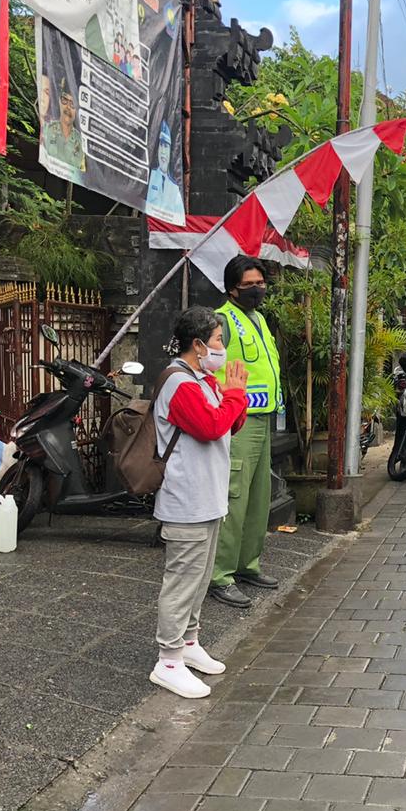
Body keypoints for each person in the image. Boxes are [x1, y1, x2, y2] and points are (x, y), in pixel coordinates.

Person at [150, 307, 249, 699]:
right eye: (218, 340)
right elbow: (210, 426)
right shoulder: (179, 383)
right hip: (186, 500)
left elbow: (229, 422)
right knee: (182, 581)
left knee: (200, 578)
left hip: (208, 498)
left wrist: (234, 397)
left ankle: (188, 643)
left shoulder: (202, 380)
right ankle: (168, 660)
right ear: (197, 344)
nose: (222, 347)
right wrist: (235, 394)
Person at [208, 259, 285, 608]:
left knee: (257, 497)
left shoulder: (258, 319)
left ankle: (247, 564)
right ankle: (219, 575)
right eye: (249, 284)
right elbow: (209, 369)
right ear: (232, 289)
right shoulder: (222, 320)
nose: (258, 289)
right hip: (238, 421)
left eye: (261, 283)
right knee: (234, 496)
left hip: (263, 418)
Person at [146, 121, 185, 219]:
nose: (163, 152)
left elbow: (179, 217)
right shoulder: (149, 178)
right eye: (161, 145)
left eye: (166, 146)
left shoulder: (174, 188)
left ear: (170, 152)